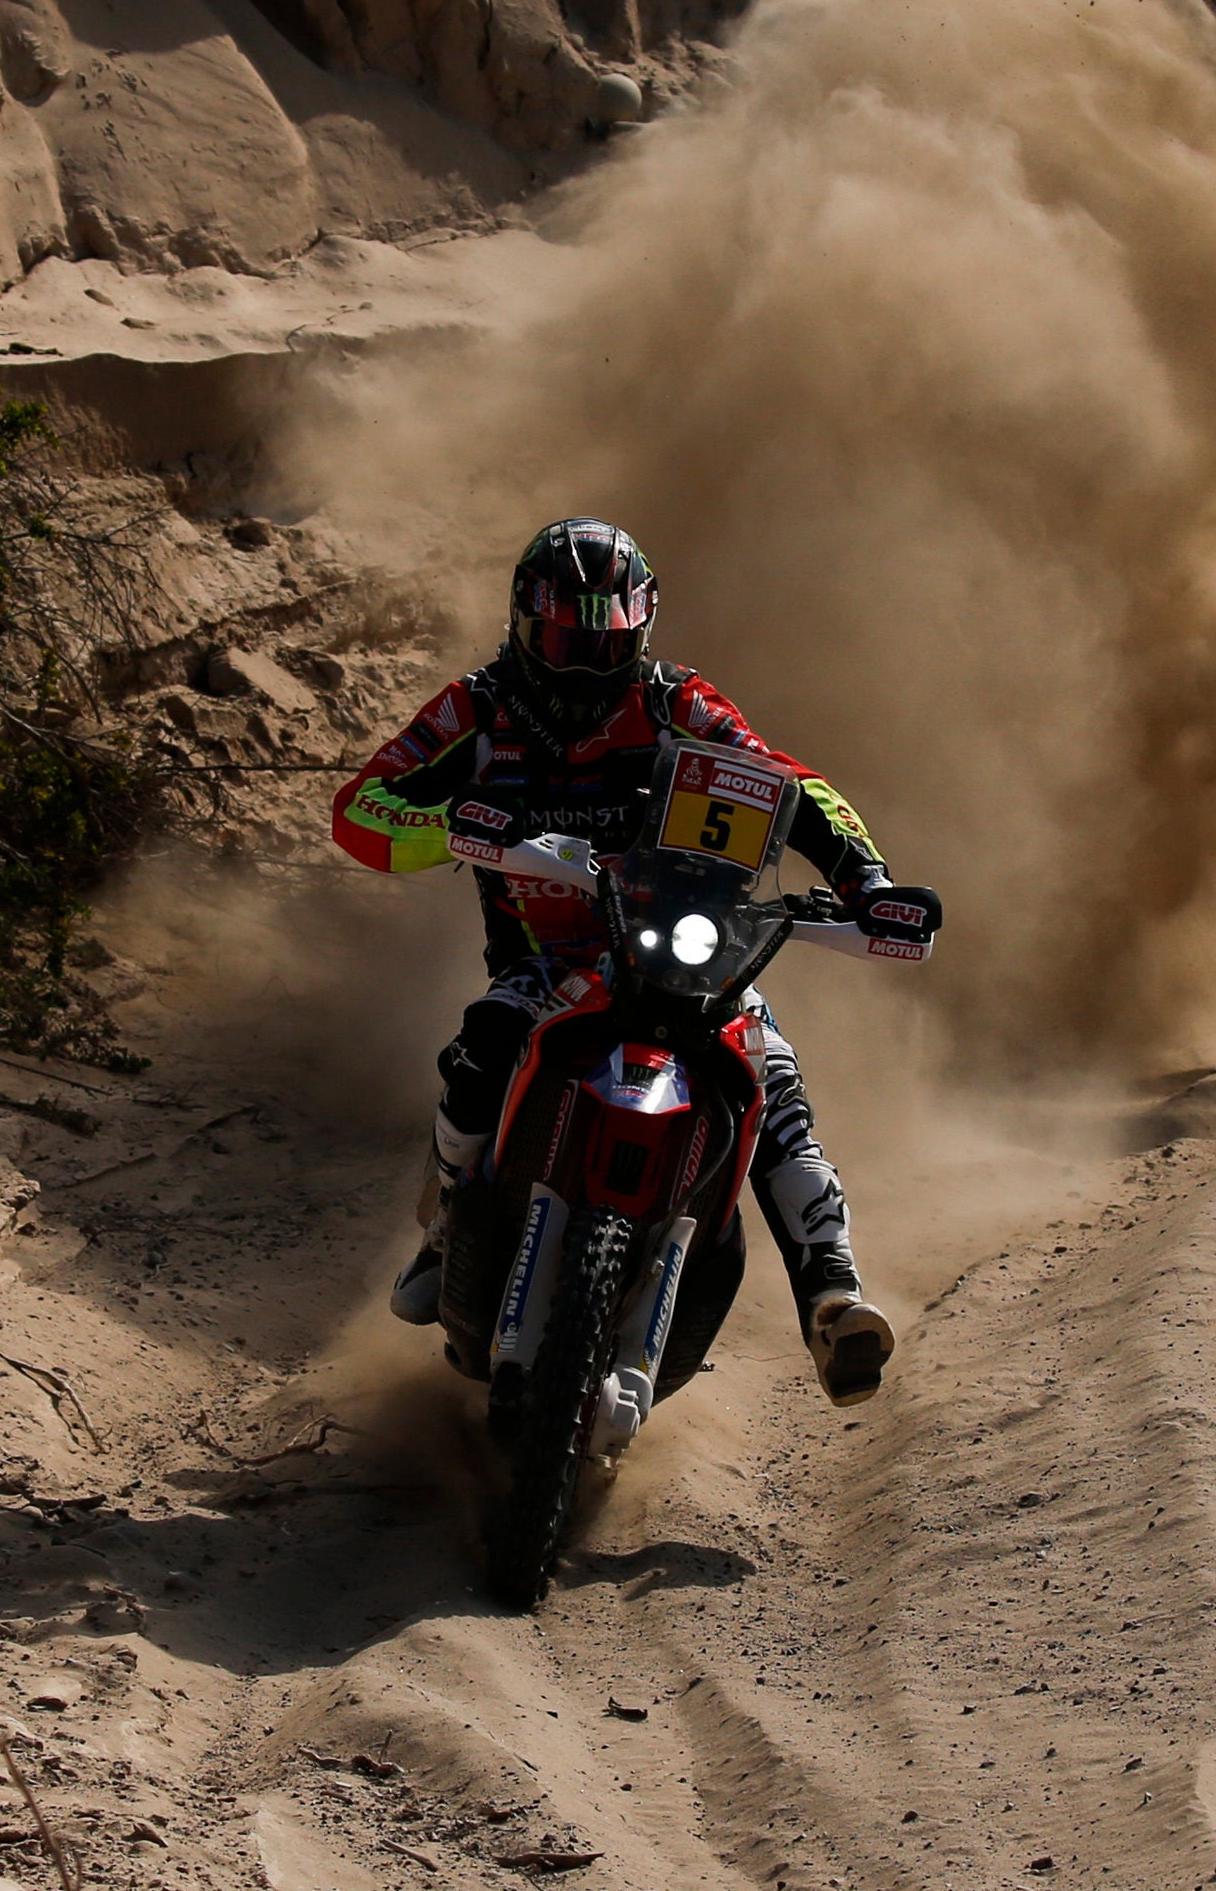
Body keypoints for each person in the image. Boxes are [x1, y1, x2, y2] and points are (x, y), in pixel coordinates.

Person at [329, 519, 930, 1407]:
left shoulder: (677, 703)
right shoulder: (478, 707)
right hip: (547, 963)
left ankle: (834, 1297)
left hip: (689, 960)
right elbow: (361, 807)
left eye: (600, 644)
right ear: (524, 625)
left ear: (638, 632)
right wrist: (454, 827)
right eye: (563, 641)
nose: (578, 665)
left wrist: (866, 878)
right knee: (480, 1053)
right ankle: (449, 1221)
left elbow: (789, 786)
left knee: (774, 1089)